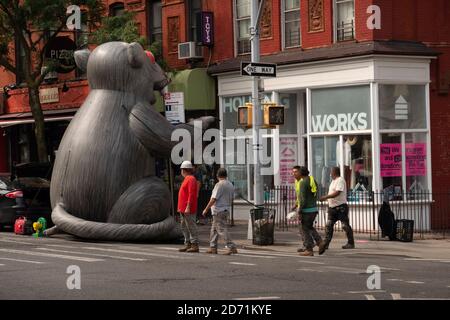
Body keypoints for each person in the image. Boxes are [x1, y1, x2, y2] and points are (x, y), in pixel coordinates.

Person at [202, 168, 238, 255]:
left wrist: (206, 209)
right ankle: (213, 247)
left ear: (217, 176)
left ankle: (231, 246)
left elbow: (213, 199)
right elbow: (232, 198)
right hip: (225, 209)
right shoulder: (230, 185)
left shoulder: (219, 185)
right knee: (214, 229)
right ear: (226, 175)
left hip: (219, 210)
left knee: (221, 229)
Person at [319, 166, 355, 253]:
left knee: (345, 225)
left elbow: (337, 193)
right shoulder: (333, 181)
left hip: (341, 207)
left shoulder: (340, 180)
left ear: (335, 172)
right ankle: (326, 244)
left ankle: (351, 242)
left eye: (331, 172)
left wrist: (326, 197)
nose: (330, 174)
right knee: (329, 225)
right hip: (332, 208)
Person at [292, 166, 323, 253]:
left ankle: (309, 249)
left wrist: (299, 210)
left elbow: (303, 199)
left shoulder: (303, 182)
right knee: (309, 227)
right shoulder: (312, 180)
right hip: (313, 209)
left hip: (307, 210)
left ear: (301, 173)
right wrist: (296, 205)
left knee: (304, 228)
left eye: (296, 172)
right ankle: (319, 242)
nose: (293, 174)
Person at [178, 160, 200, 253]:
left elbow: (191, 194)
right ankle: (188, 244)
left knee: (191, 226)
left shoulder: (191, 179)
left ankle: (194, 244)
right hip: (183, 208)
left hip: (188, 208)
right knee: (184, 226)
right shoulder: (188, 179)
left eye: (181, 170)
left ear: (184, 170)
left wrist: (188, 206)